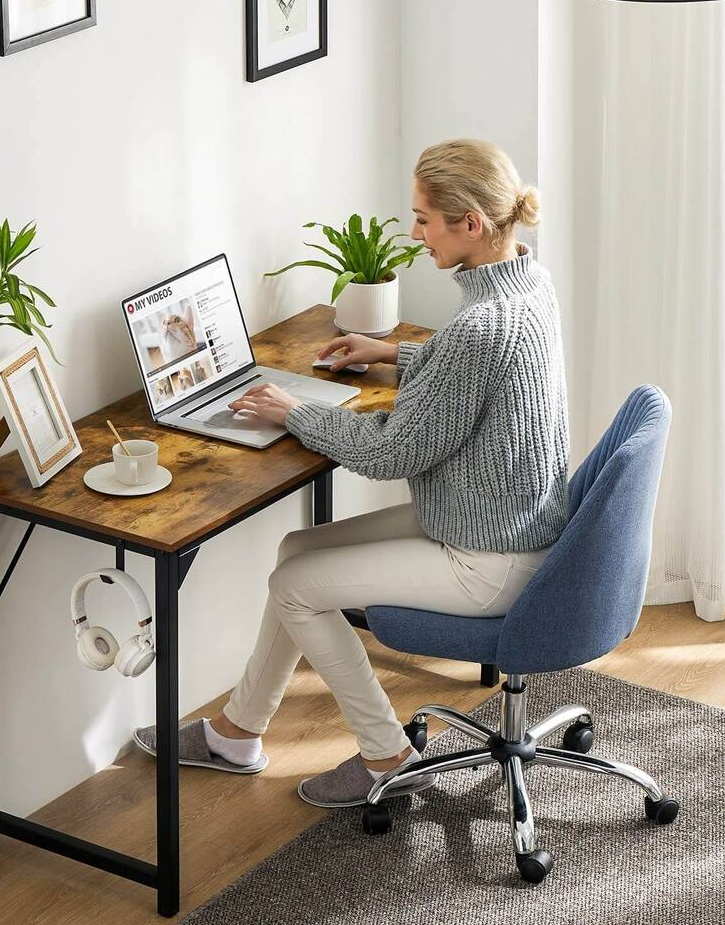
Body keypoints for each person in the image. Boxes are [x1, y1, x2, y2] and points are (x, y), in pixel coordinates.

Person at [134, 138, 571, 808]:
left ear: (470, 224)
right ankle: (236, 734)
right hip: (506, 522)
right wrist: (394, 353)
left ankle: (385, 756)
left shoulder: (480, 328)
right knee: (296, 552)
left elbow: (393, 451)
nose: (416, 232)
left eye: (425, 217)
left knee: (295, 584)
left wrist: (294, 410)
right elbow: (474, 376)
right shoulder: (527, 286)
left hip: (489, 557)